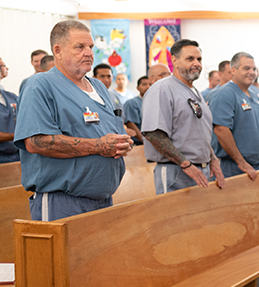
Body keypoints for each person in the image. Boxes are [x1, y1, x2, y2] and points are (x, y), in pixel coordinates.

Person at [13, 21, 132, 221]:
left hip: (102, 199)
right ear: (57, 51)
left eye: (91, 47)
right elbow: (35, 142)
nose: (89, 53)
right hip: (63, 202)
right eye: (80, 47)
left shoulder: (99, 86)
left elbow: (110, 133)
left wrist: (122, 144)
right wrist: (98, 146)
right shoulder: (40, 84)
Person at [141, 39, 225, 194]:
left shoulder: (195, 92)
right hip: (177, 171)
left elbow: (201, 132)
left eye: (199, 59)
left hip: (201, 170)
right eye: (190, 59)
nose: (196, 63)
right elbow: (154, 134)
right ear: (175, 60)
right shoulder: (162, 89)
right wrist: (186, 164)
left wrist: (212, 159)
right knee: (174, 218)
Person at [210, 52, 259, 179]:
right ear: (233, 70)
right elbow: (221, 130)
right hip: (231, 167)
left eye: (254, 69)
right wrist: (241, 162)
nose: (252, 72)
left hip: (254, 166)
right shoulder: (224, 94)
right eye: (246, 68)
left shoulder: (255, 97)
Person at [0, 56, 20, 163]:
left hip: (17, 155)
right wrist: (18, 135)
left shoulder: (11, 97)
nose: (7, 69)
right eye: (3, 66)